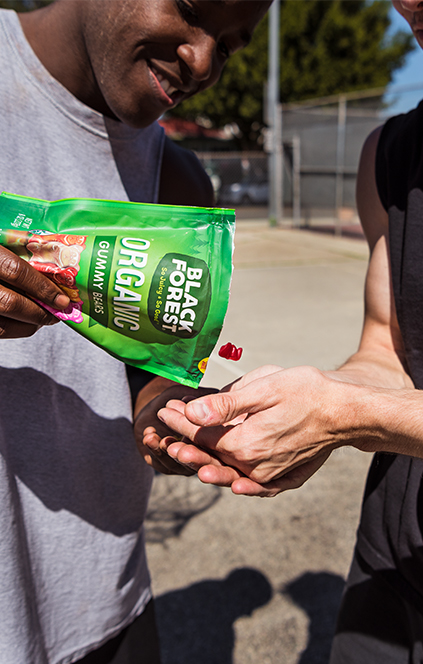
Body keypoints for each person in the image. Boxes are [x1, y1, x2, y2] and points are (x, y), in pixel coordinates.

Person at [146, 0, 423, 661]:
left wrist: (348, 413)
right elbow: (386, 349)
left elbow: (367, 407)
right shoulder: (392, 152)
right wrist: (298, 403)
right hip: (390, 576)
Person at [0, 0, 270, 662]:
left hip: (108, 602)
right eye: (191, 8)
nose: (204, 61)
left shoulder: (178, 182)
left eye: (231, 45)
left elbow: (148, 372)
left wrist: (170, 415)